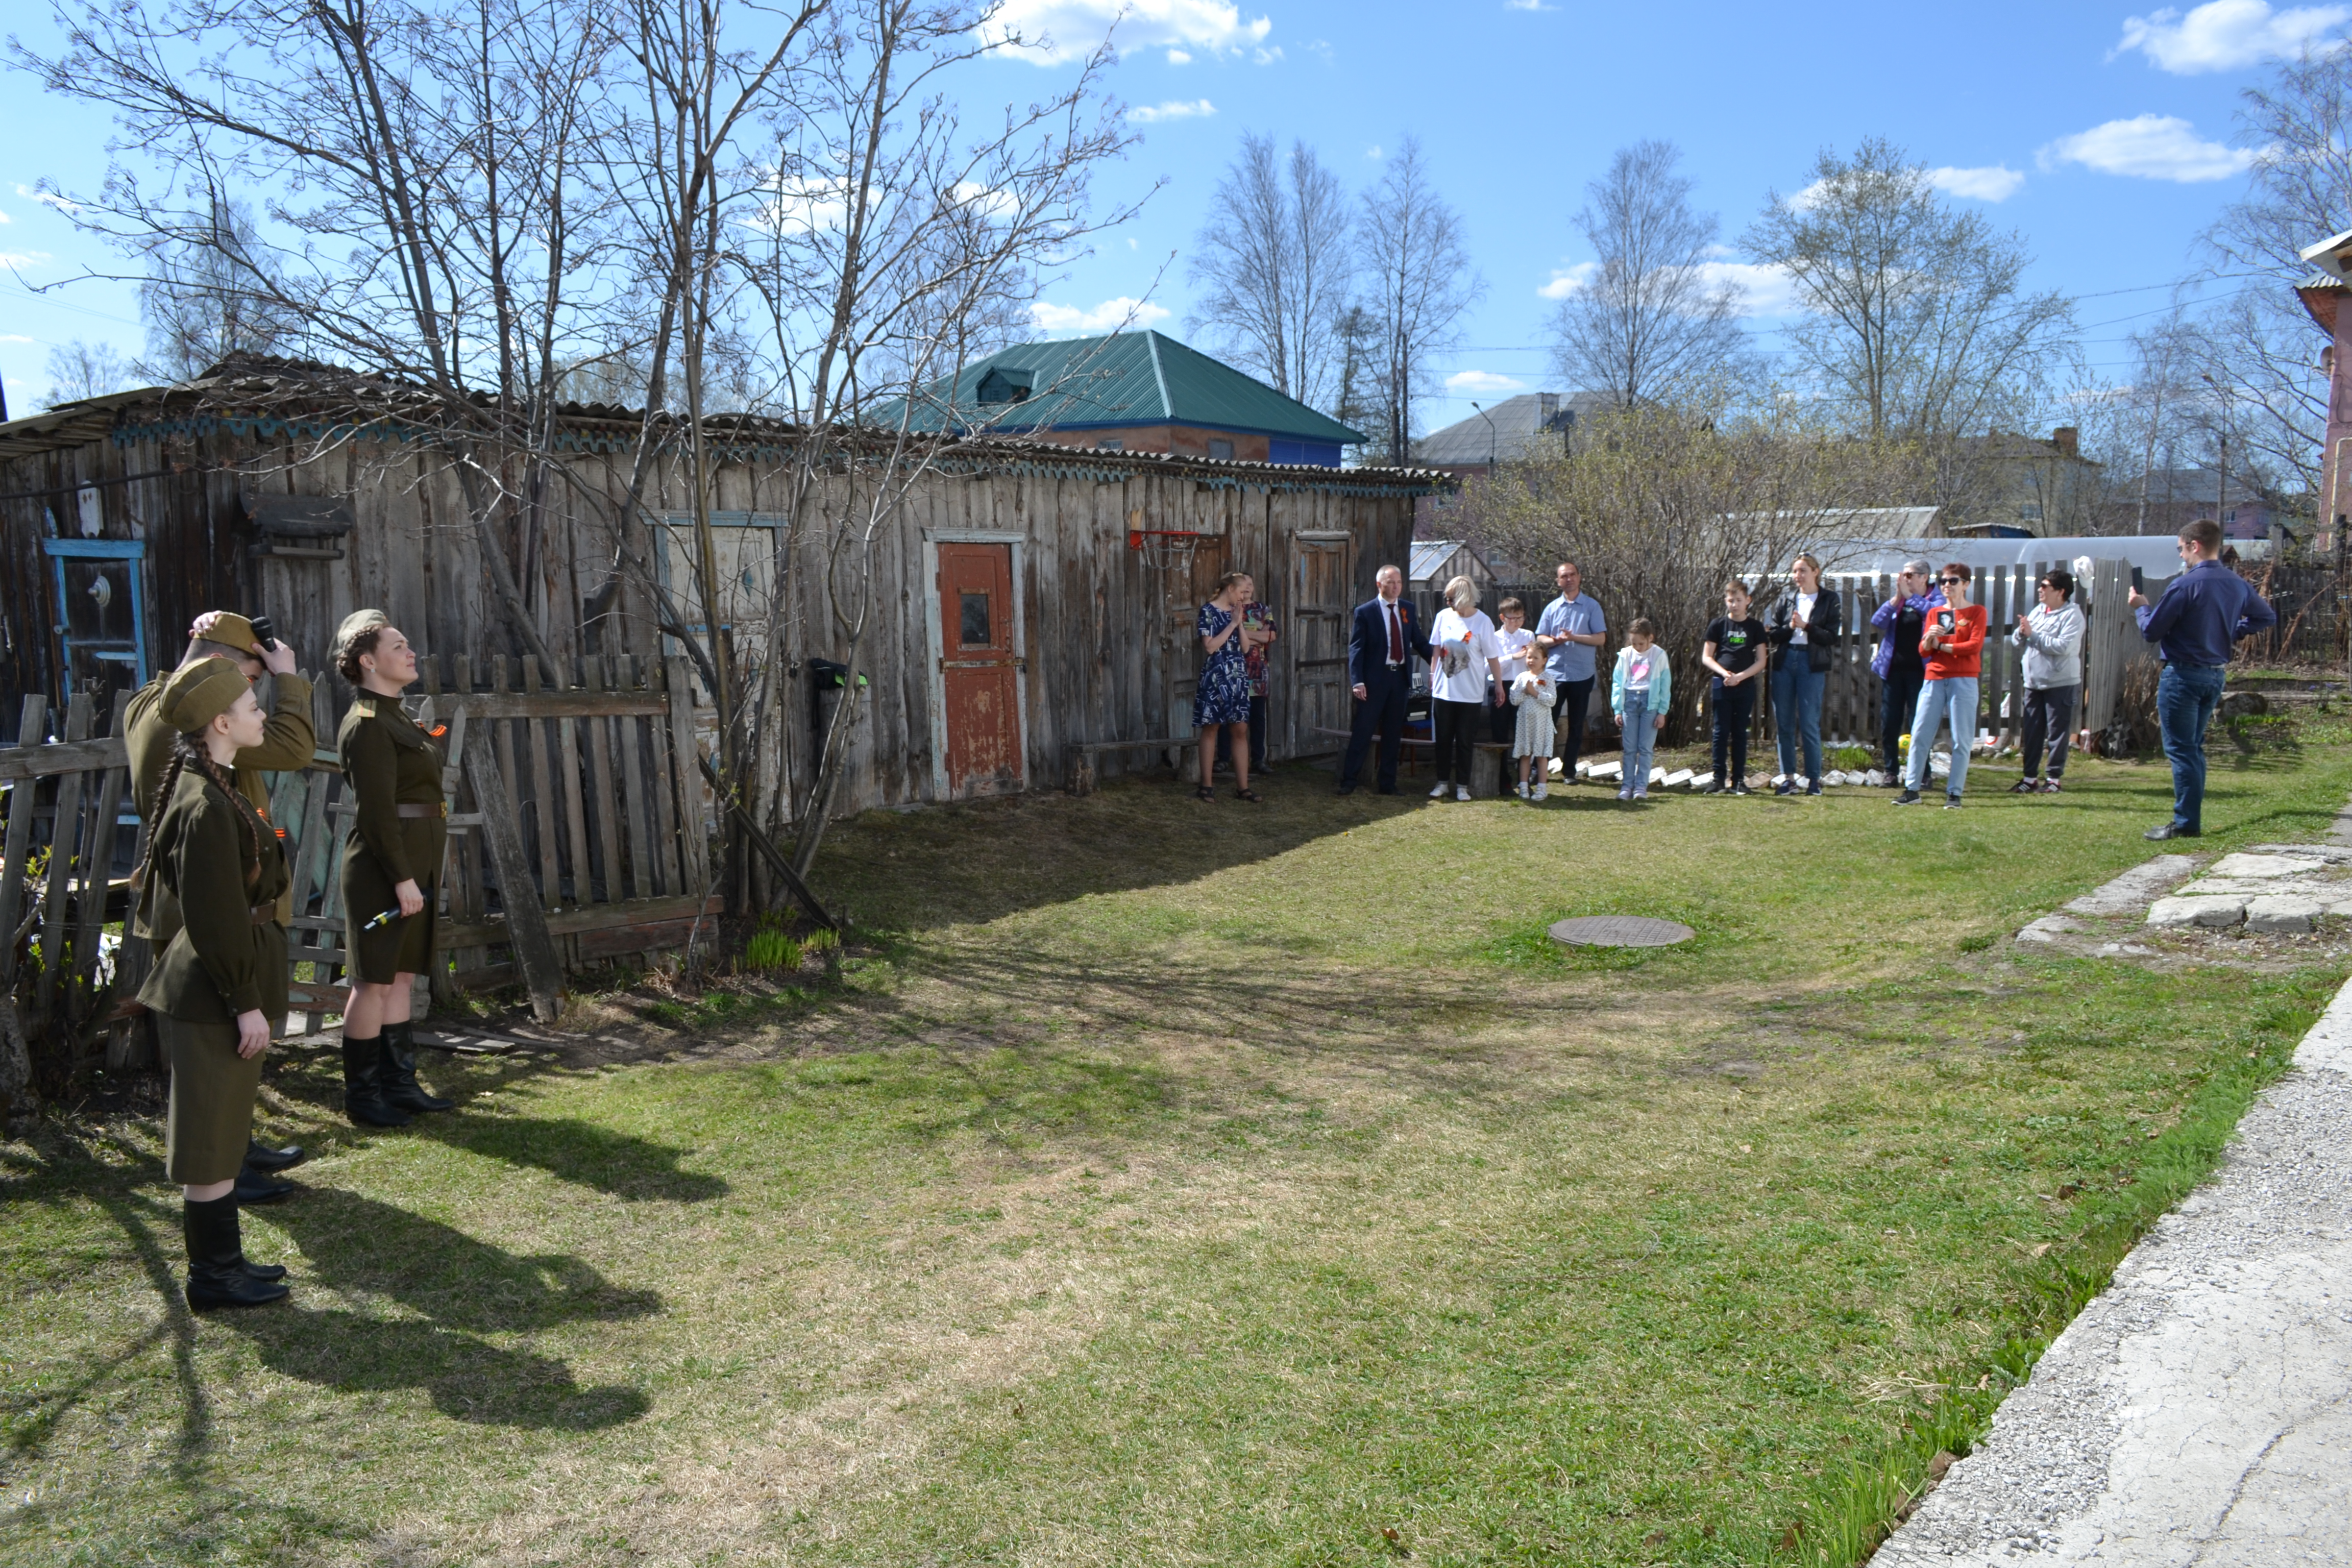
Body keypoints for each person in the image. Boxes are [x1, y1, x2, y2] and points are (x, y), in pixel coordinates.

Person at [126, 611, 313, 1204]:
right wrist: (291, 679)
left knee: (227, 1052)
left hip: (197, 889)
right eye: (251, 680)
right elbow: (296, 747)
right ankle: (219, 1171)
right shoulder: (184, 723)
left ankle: (237, 1149)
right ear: (218, 678)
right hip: (203, 898)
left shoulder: (146, 699)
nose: (254, 694)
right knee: (212, 1048)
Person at [133, 658, 295, 1309]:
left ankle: (225, 1267)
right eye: (255, 709)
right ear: (222, 723)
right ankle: (214, 1279)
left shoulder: (218, 784)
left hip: (222, 984)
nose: (263, 716)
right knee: (207, 1140)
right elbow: (216, 921)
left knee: (223, 1134)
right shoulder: (204, 803)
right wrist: (244, 1003)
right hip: (212, 991)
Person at [334, 611, 456, 1125]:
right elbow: (377, 812)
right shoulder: (365, 725)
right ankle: (363, 1098)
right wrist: (403, 878)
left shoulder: (398, 717)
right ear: (368, 660)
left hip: (415, 860)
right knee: (374, 982)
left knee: (403, 976)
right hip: (384, 868)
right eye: (399, 646)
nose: (411, 653)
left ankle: (399, 1085)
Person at [2131, 519, 2278, 840]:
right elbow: (2266, 616)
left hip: (2183, 675)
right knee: (2193, 749)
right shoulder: (2236, 583)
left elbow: (2151, 632)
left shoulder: (2185, 585)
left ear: (2194, 545)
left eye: (2182, 550)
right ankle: (2188, 819)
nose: (2181, 556)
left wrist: (2141, 608)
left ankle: (2186, 824)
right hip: (2214, 676)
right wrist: (2231, 632)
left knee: (2183, 751)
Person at [1894, 564, 1986, 810]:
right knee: (1921, 733)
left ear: (1966, 584)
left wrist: (1942, 646)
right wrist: (1929, 639)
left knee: (1961, 739)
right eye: (1943, 581)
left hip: (1964, 678)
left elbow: (1973, 647)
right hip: (1934, 677)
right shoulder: (1935, 613)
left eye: (1953, 581)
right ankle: (1912, 790)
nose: (1947, 585)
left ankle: (1954, 794)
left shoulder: (1976, 612)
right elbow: (1923, 650)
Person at [1339, 565, 1432, 796]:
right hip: (1374, 680)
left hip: (1399, 679)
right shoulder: (1366, 611)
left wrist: (1440, 659)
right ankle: (1349, 780)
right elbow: (1356, 649)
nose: (1396, 586)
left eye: (1399, 582)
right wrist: (1357, 681)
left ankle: (1388, 783)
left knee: (1393, 732)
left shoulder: (1407, 609)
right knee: (1364, 730)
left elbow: (1418, 641)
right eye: (1391, 582)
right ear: (1379, 585)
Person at [1766, 554, 1841, 795]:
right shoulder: (1787, 599)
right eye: (1795, 571)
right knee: (1785, 723)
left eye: (1803, 571)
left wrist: (1806, 627)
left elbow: (1831, 637)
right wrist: (1789, 628)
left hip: (1811, 662)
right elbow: (1775, 635)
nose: (1798, 576)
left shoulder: (1829, 599)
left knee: (1809, 722)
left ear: (1816, 572)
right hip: (1786, 661)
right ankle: (1789, 778)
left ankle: (1814, 779)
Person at [1425, 576, 1505, 801]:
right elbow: (1436, 649)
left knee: (1464, 740)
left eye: (1451, 599)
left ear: (1463, 597)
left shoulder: (1483, 622)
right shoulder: (1443, 617)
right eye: (1447, 599)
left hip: (1470, 693)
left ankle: (1462, 786)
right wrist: (1432, 674)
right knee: (1442, 739)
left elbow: (1493, 657)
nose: (1448, 603)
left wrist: (1499, 685)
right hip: (1444, 691)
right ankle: (1442, 783)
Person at [2011, 569, 2086, 795]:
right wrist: (2021, 633)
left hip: (2060, 683)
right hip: (2033, 683)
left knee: (2057, 733)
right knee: (2032, 732)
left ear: (2061, 592)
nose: (2040, 590)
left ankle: (2054, 779)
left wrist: (2033, 636)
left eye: (2045, 586)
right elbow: (2018, 639)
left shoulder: (2073, 616)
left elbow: (2063, 647)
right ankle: (2029, 778)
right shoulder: (2039, 611)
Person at [1869, 561, 1942, 786]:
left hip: (1921, 673)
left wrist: (1911, 598)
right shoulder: (1900, 601)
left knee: (1919, 723)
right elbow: (1877, 621)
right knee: (1890, 722)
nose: (1905, 579)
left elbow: (1934, 614)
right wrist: (1896, 600)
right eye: (1902, 574)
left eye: (1910, 575)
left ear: (1925, 577)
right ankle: (1891, 771)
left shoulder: (1935, 599)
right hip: (1893, 671)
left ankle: (1924, 773)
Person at [1533, 561, 1606, 785]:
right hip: (1554, 675)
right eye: (1564, 576)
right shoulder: (1552, 608)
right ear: (1558, 581)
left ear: (1579, 577)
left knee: (1576, 724)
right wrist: (1557, 641)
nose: (1569, 579)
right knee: (1547, 723)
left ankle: (1570, 771)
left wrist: (1574, 637)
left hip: (1581, 675)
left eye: (1572, 575)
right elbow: (1540, 639)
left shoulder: (1591, 607)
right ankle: (1539, 770)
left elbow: (1600, 639)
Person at [1700, 578, 1766, 796]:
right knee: (1720, 731)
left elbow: (1761, 661)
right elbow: (1707, 657)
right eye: (1731, 600)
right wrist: (1724, 674)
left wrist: (1740, 677)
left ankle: (1738, 780)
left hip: (1745, 686)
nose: (1735, 604)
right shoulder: (1718, 625)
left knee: (1740, 732)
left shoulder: (1755, 627)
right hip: (1722, 684)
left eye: (1739, 600)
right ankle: (1719, 779)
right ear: (1726, 601)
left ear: (1748, 600)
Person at [1215, 583, 1278, 777]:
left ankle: (1258, 759)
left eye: (1252, 584)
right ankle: (1224, 759)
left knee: (1258, 717)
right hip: (1232, 672)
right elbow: (1223, 638)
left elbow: (1271, 635)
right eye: (1245, 585)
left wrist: (1243, 634)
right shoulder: (1228, 609)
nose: (1249, 588)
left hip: (1257, 673)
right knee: (1228, 717)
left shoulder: (1262, 610)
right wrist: (1255, 637)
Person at [1610, 618, 1670, 802]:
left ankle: (1641, 787)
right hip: (1630, 702)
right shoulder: (1626, 655)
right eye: (1633, 643)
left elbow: (1665, 685)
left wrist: (1662, 711)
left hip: (1649, 704)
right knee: (1629, 748)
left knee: (1645, 748)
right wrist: (1618, 709)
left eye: (1641, 643)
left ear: (1650, 638)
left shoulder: (1659, 655)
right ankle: (1627, 785)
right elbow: (1618, 682)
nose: (1637, 647)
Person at [1509, 646, 1557, 801]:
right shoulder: (1522, 677)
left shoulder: (1548, 678)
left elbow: (1552, 700)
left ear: (1544, 660)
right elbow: (1514, 700)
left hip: (1542, 724)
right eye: (1529, 657)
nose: (1531, 661)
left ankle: (1542, 788)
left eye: (1536, 658)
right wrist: (1525, 691)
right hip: (1525, 724)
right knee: (1525, 754)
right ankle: (1523, 786)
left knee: (1542, 756)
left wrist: (1535, 693)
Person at [1492, 598, 1535, 744]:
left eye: (1521, 617)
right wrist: (1512, 657)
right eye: (1513, 618)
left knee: (1522, 729)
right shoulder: (1494, 638)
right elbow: (1487, 667)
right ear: (1502, 618)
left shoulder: (1528, 636)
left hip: (1521, 686)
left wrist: (1531, 657)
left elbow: (1533, 666)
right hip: (1499, 685)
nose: (1517, 621)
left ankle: (1522, 766)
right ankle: (1501, 767)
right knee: (1499, 730)